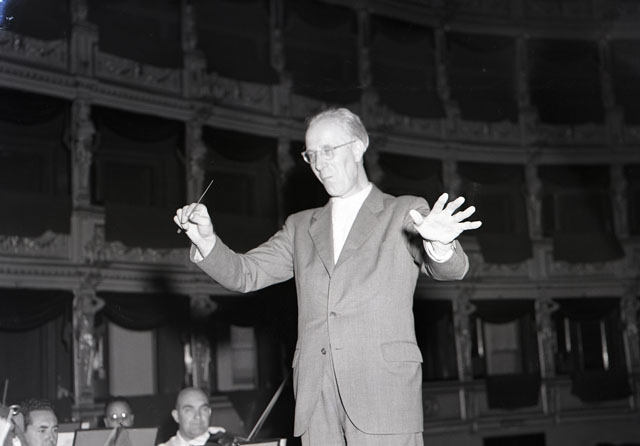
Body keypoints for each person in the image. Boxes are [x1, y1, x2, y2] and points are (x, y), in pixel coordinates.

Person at [174, 107, 481, 446]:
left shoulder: (402, 210)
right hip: (316, 400)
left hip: (383, 393)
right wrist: (206, 241)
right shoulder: (300, 226)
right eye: (311, 155)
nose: (319, 163)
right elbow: (245, 274)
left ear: (358, 147)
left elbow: (452, 268)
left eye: (328, 150)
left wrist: (440, 244)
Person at [158, 388, 233, 446]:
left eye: (203, 409)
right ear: (176, 416)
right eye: (189, 410)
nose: (198, 416)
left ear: (209, 413)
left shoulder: (226, 441)